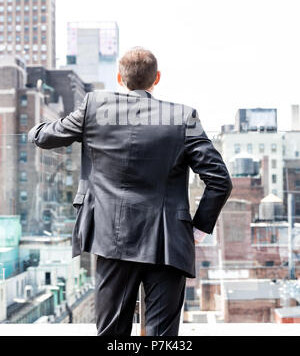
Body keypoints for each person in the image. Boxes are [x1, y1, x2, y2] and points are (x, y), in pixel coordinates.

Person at [28, 46, 232, 336]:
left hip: (112, 238)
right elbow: (220, 180)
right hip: (167, 243)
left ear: (120, 78)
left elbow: (44, 137)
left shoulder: (93, 108)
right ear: (157, 78)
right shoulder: (183, 117)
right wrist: (196, 231)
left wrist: (37, 126)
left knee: (112, 335)